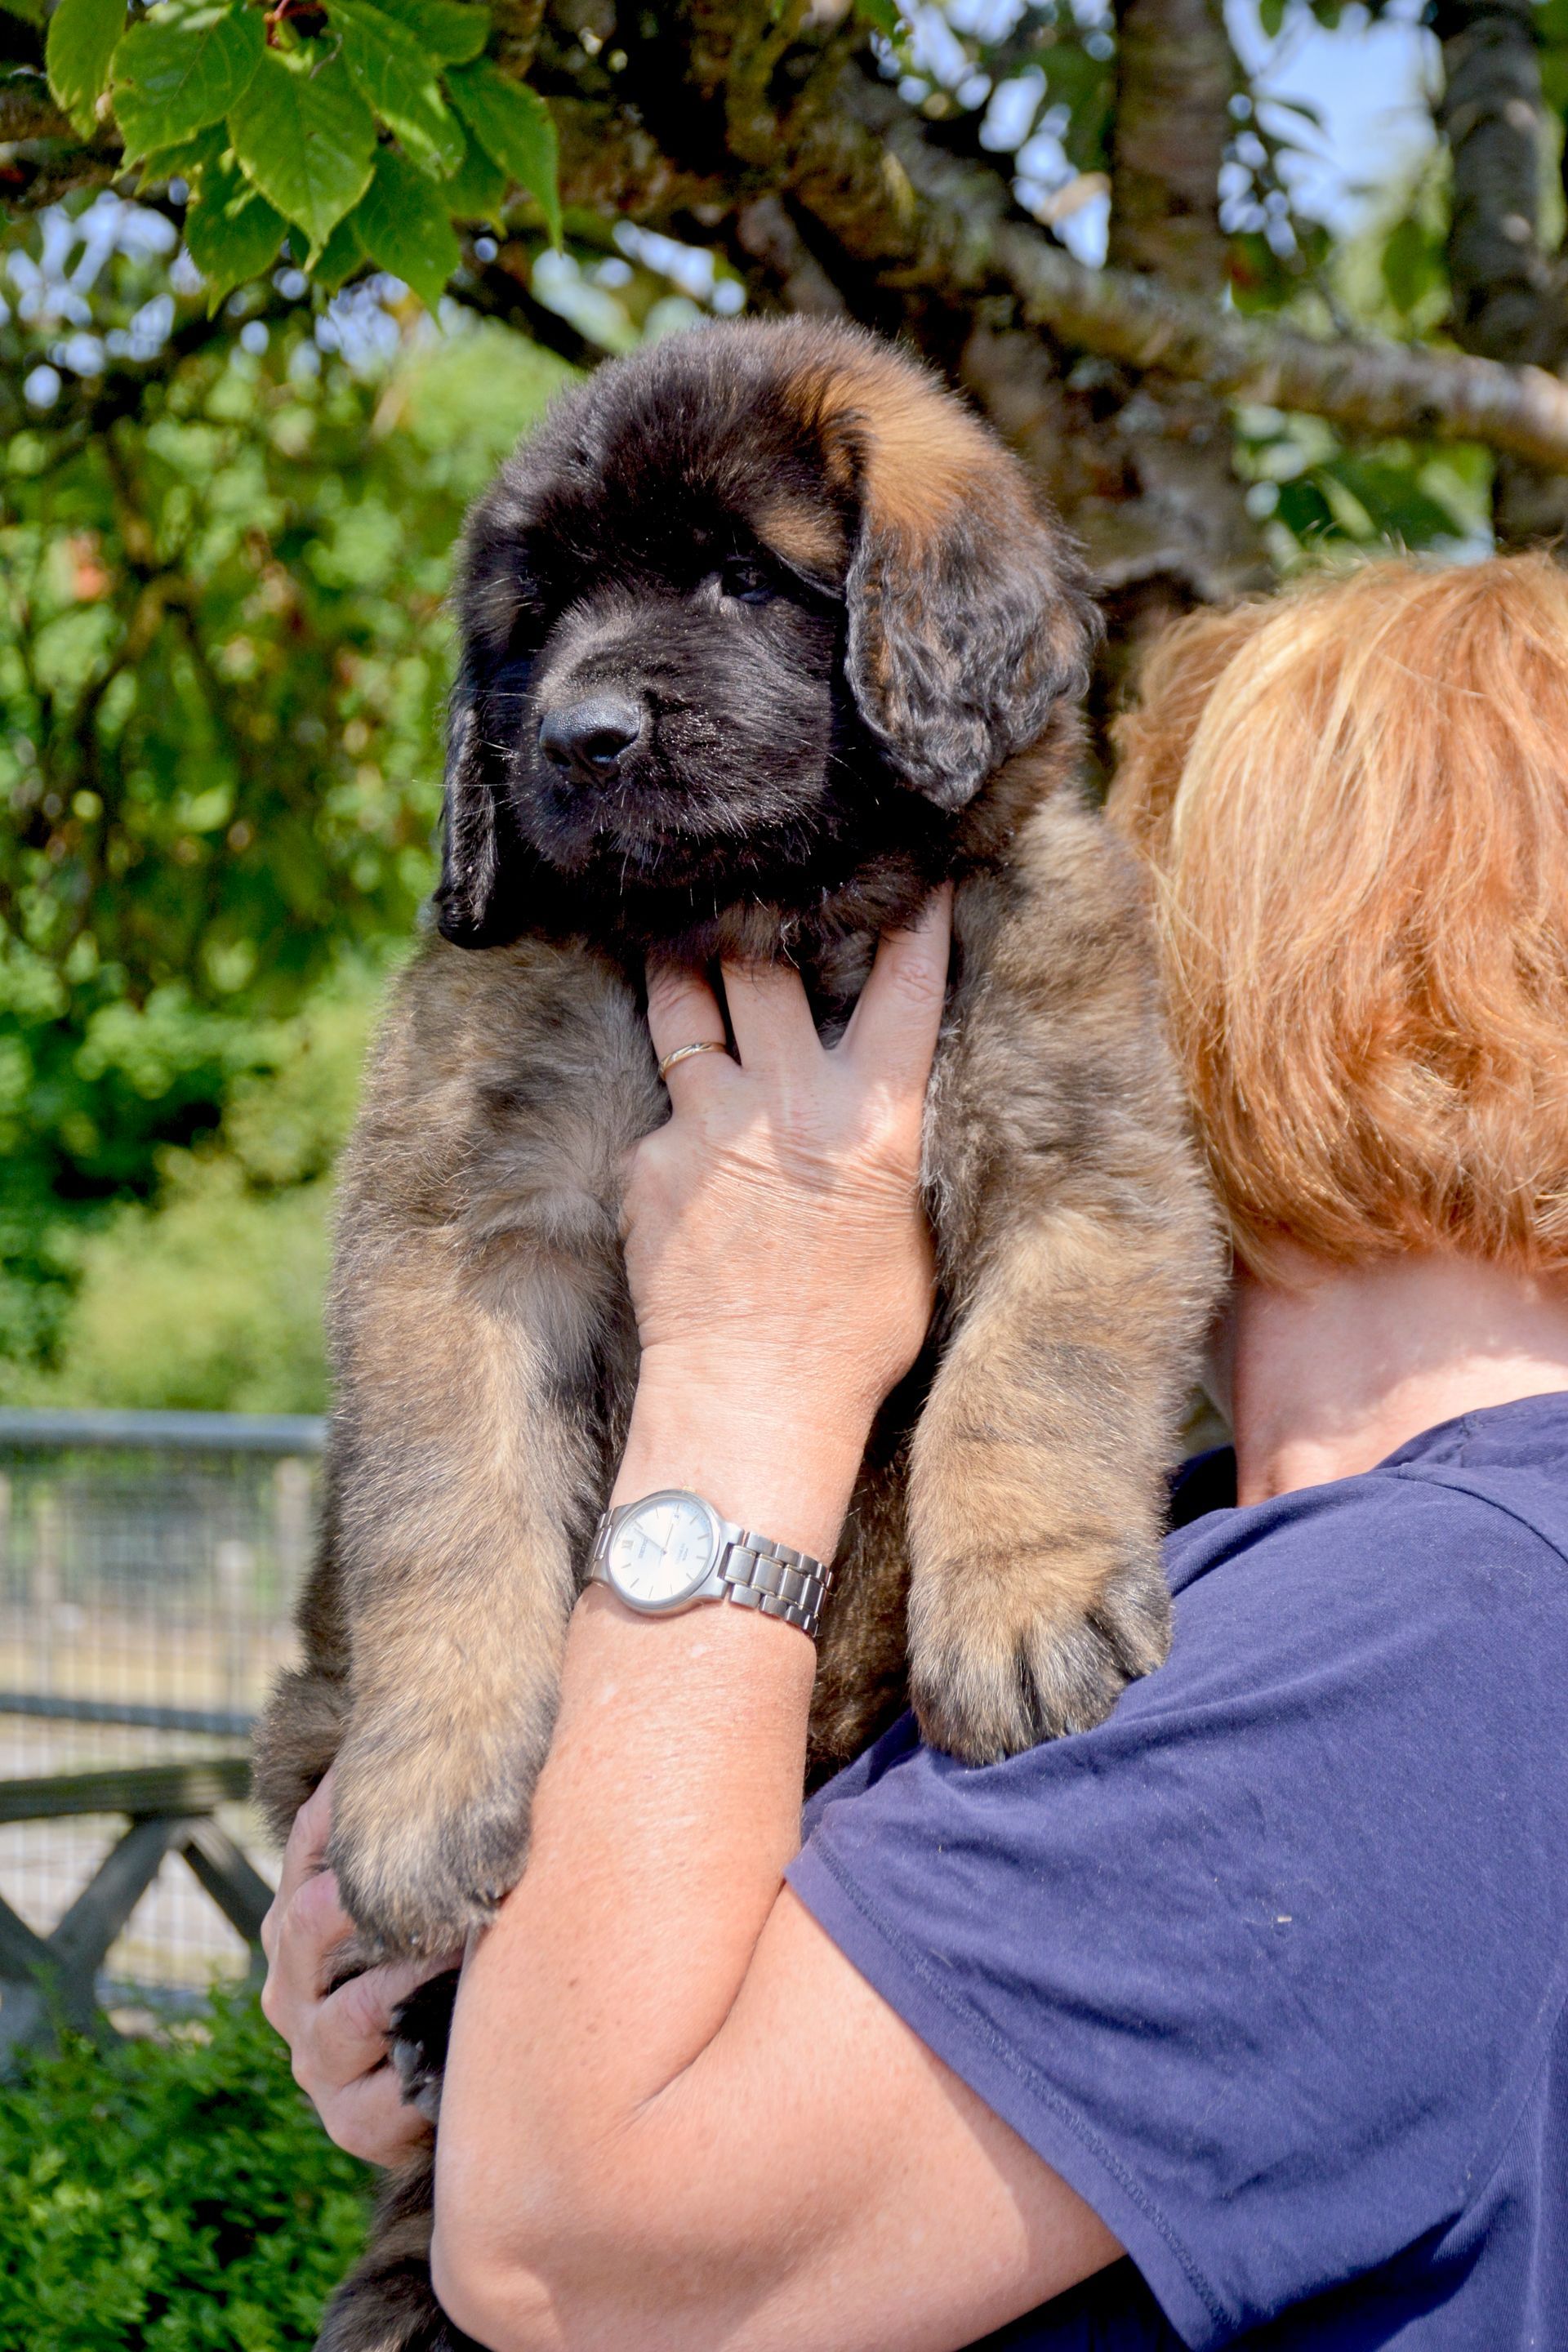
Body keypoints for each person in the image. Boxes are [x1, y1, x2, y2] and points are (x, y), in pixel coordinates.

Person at [261, 554, 1568, 2350]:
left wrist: (751, 1364)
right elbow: (640, 2077)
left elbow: (583, 2257)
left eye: (1106, 880)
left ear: (1312, 980)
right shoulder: (1237, 1560)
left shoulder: (1424, 1635)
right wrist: (464, 2014)